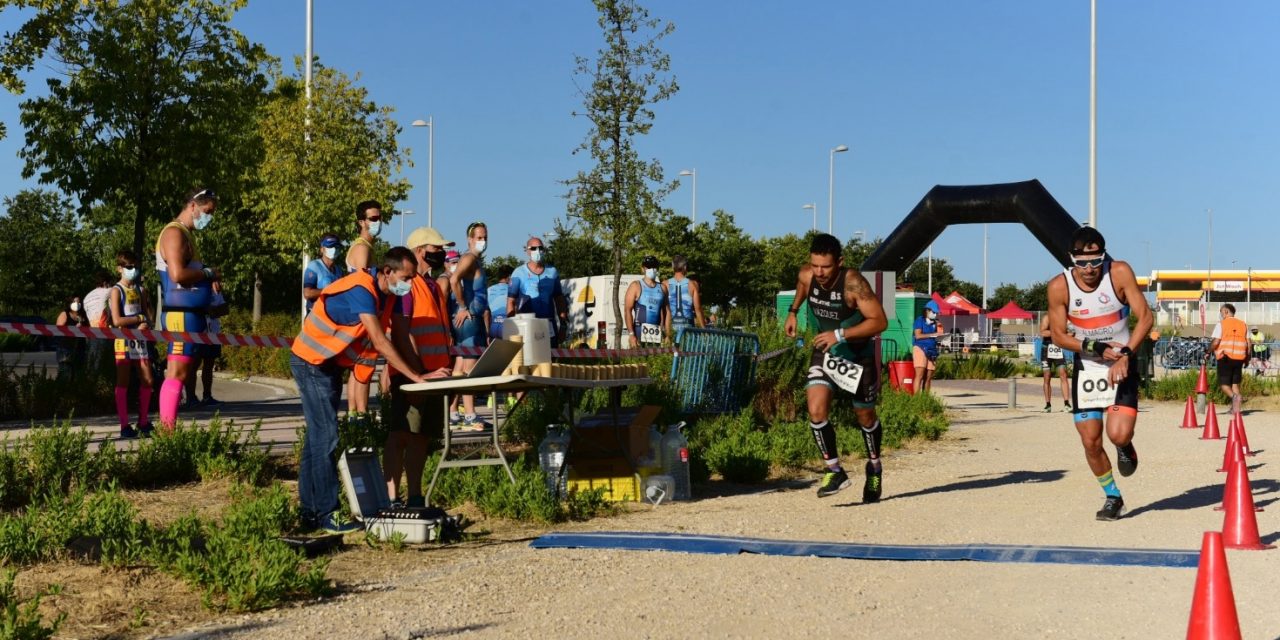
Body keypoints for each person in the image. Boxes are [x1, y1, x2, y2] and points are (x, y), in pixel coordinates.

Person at [291, 247, 428, 534]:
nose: (410, 283)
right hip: (310, 361)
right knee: (327, 436)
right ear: (387, 271)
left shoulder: (388, 296)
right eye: (406, 276)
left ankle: (309, 513)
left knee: (317, 440)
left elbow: (397, 336)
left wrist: (423, 373)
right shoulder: (362, 288)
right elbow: (379, 341)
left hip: (327, 365)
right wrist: (414, 376)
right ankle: (327, 513)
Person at [1047, 226, 1153, 521]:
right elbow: (1057, 335)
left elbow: (1145, 317)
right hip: (1088, 367)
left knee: (1117, 434)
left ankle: (1124, 446)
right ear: (1072, 260)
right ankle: (1113, 496)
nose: (1090, 268)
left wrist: (1127, 354)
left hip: (1122, 361)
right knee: (1091, 441)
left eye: (1096, 260)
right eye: (1082, 263)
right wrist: (1094, 346)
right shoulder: (1059, 286)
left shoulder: (1118, 272)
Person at [782, 233, 889, 502]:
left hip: (857, 356)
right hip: (825, 353)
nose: (819, 272)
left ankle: (874, 466)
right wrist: (793, 312)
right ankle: (835, 470)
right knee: (815, 409)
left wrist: (840, 334)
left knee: (864, 416)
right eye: (815, 265)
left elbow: (879, 321)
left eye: (826, 267)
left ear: (839, 263)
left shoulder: (853, 283)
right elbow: (802, 287)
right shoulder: (808, 274)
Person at [384, 227, 455, 507]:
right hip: (415, 375)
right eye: (435, 249)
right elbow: (401, 332)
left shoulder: (430, 286)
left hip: (435, 376)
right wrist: (417, 375)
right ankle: (390, 498)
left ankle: (414, 496)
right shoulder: (408, 286)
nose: (441, 253)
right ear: (418, 251)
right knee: (401, 435)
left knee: (421, 438)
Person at [155, 188, 220, 431]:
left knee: (179, 372)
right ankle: (167, 431)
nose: (208, 218)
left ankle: (167, 429)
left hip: (190, 315)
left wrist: (206, 277)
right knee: (177, 373)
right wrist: (208, 273)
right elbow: (178, 275)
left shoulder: (186, 234)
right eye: (207, 212)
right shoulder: (174, 233)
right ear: (193, 205)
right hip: (180, 315)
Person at [106, 250, 154, 438]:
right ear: (120, 269)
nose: (133, 270)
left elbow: (147, 316)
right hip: (123, 341)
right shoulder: (116, 291)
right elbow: (117, 320)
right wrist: (139, 318)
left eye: (135, 266)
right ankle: (124, 425)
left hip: (139, 341)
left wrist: (146, 322)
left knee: (148, 380)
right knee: (123, 382)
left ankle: (143, 422)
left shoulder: (140, 290)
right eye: (129, 267)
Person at [447, 223, 490, 428]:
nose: (483, 241)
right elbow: (454, 279)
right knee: (469, 369)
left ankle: (453, 411)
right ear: (470, 239)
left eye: (485, 237)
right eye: (479, 237)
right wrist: (463, 306)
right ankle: (470, 414)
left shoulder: (474, 260)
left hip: (470, 318)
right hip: (469, 319)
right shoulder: (469, 258)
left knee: (460, 366)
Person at [344, 200, 383, 425]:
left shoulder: (367, 247)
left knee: (358, 368)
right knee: (364, 368)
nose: (378, 222)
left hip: (360, 316)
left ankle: (354, 414)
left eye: (380, 218)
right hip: (361, 317)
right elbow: (362, 286)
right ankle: (360, 415)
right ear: (361, 222)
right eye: (373, 219)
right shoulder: (361, 248)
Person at [507, 237, 569, 346]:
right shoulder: (518, 273)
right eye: (534, 248)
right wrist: (511, 329)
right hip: (527, 325)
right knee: (530, 361)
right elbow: (510, 301)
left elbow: (559, 300)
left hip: (549, 325)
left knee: (550, 361)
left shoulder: (552, 272)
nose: (538, 251)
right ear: (527, 251)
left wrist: (563, 326)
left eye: (540, 248)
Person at [184, 282, 228, 408]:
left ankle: (207, 396)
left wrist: (212, 311)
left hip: (213, 332)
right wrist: (204, 311)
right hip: (197, 332)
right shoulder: (195, 288)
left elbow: (225, 308)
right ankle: (190, 397)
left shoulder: (216, 289)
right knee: (194, 365)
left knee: (209, 364)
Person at [1209, 303, 1248, 414]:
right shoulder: (1243, 324)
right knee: (1235, 384)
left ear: (1226, 311)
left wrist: (1208, 351)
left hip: (1225, 358)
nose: (1221, 314)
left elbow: (1216, 341)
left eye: (1221, 312)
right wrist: (1247, 358)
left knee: (1224, 385)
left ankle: (1235, 397)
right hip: (1239, 358)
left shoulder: (1221, 324)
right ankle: (1235, 410)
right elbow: (1249, 343)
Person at [625, 255, 669, 346]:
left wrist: (667, 334)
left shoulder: (663, 288)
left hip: (656, 336)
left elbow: (667, 312)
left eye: (654, 267)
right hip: (638, 335)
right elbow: (627, 310)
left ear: (657, 269)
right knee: (639, 360)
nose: (651, 269)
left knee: (654, 359)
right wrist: (631, 334)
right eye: (648, 267)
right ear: (643, 269)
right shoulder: (635, 286)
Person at [665, 255, 705, 340]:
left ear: (672, 267)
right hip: (688, 327)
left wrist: (667, 334)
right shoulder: (693, 284)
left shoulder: (665, 284)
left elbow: (663, 310)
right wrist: (704, 330)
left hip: (671, 326)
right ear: (685, 267)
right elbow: (698, 310)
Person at [1038, 313, 1072, 412]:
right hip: (1046, 350)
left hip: (1058, 348)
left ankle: (1067, 404)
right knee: (1047, 376)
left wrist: (1056, 334)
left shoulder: (1064, 318)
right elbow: (1043, 332)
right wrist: (1059, 333)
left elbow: (1072, 333)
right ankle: (1048, 405)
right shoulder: (1047, 317)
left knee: (1063, 374)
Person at [303, 233, 345, 314]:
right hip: (316, 316)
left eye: (336, 247)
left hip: (334, 316)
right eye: (330, 247)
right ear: (322, 249)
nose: (334, 249)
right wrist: (329, 290)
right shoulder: (314, 266)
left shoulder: (339, 270)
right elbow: (307, 293)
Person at [911, 300, 945, 393]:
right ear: (927, 311)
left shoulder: (935, 323)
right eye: (933, 312)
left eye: (936, 313)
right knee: (920, 375)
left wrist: (940, 333)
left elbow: (938, 334)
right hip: (920, 348)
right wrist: (932, 334)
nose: (935, 314)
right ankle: (916, 400)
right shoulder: (919, 320)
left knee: (928, 376)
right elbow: (918, 336)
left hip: (931, 349)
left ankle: (926, 399)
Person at [54, 296, 89, 379]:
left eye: (79, 302)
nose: (77, 304)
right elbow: (58, 330)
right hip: (66, 348)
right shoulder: (64, 314)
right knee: (65, 373)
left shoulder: (83, 316)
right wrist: (73, 329)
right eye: (74, 302)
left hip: (80, 348)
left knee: (78, 374)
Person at [487, 264, 515, 342]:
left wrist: (487, 332)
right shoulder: (513, 290)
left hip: (493, 327)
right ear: (509, 276)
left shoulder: (489, 290)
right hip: (508, 326)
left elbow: (486, 313)